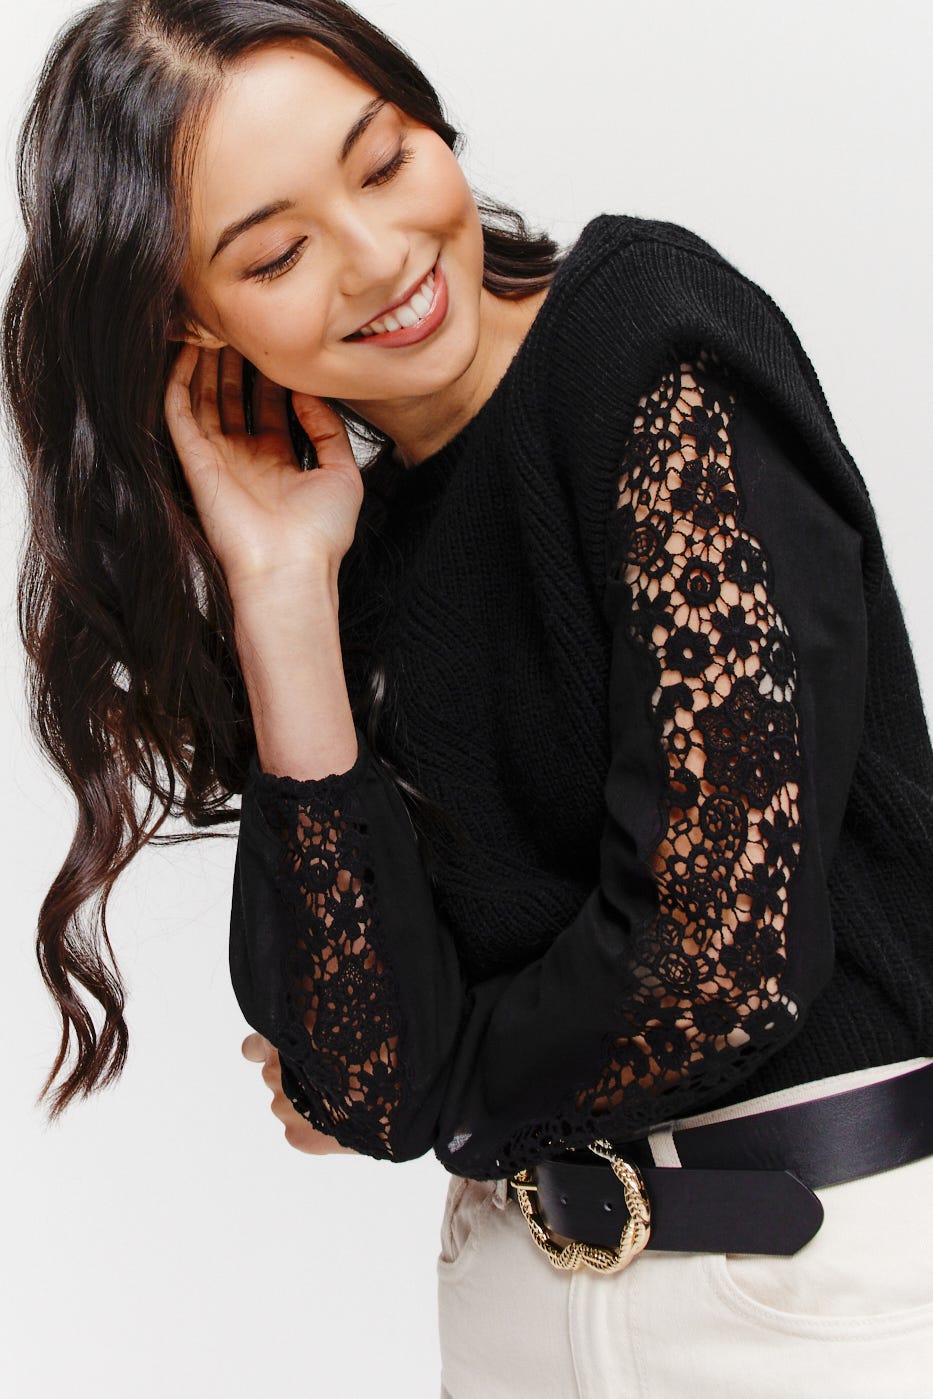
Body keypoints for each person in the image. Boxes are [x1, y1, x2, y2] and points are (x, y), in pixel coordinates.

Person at [3, 1, 932, 1395]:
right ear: (191, 315)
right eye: (276, 253)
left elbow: (720, 962)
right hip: (510, 1300)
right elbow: (352, 1061)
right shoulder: (335, 541)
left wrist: (429, 1085)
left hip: (816, 1291)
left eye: (383, 162)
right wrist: (282, 595)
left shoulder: (650, 341)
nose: (381, 257)